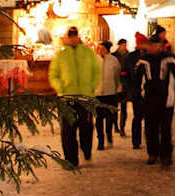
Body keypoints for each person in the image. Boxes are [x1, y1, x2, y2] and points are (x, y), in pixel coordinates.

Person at [48, 27, 100, 167]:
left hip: (85, 97)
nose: (73, 39)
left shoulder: (88, 53)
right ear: (67, 38)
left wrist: (91, 87)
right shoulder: (61, 55)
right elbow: (53, 75)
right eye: (70, 36)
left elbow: (96, 71)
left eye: (74, 36)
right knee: (68, 130)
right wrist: (61, 89)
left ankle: (86, 149)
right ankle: (71, 160)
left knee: (87, 126)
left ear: (78, 37)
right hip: (67, 97)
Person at [135, 32, 175, 167]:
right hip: (149, 98)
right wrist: (137, 96)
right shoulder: (143, 60)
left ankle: (166, 155)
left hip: (166, 99)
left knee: (165, 128)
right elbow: (137, 79)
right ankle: (152, 153)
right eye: (153, 45)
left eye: (158, 45)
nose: (155, 48)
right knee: (150, 128)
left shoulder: (169, 59)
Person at [122, 33, 148, 149]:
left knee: (144, 118)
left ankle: (145, 141)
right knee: (139, 117)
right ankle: (137, 141)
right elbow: (124, 74)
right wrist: (129, 88)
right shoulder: (131, 57)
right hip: (137, 92)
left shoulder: (148, 56)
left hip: (145, 92)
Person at [94, 41, 122, 151]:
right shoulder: (94, 60)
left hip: (110, 93)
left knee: (109, 117)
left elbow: (117, 76)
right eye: (98, 48)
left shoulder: (114, 61)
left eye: (102, 48)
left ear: (107, 49)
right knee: (98, 119)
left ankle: (109, 135)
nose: (99, 50)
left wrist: (119, 88)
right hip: (97, 93)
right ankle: (100, 140)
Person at [113, 38, 130, 136]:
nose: (124, 47)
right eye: (123, 45)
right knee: (115, 108)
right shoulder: (114, 56)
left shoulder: (128, 56)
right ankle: (115, 125)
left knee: (124, 108)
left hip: (125, 85)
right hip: (115, 84)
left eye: (125, 45)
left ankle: (122, 127)